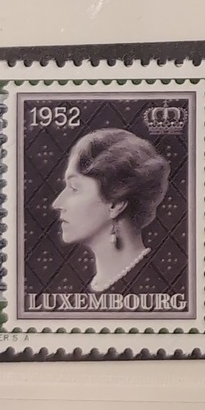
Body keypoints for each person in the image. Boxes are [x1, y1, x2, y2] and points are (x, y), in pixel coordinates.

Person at [50, 126, 172, 296]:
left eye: (74, 188)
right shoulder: (76, 286)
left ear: (115, 204)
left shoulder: (156, 284)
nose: (57, 204)